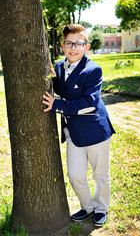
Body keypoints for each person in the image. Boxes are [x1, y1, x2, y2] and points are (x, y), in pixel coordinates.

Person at [42, 24, 115, 226]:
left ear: (86, 46)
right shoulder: (57, 66)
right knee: (74, 174)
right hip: (73, 131)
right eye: (69, 43)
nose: (73, 47)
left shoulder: (93, 70)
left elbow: (89, 103)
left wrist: (58, 105)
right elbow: (59, 87)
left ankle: (101, 208)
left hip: (96, 129)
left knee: (100, 173)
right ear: (63, 45)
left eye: (79, 43)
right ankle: (88, 206)